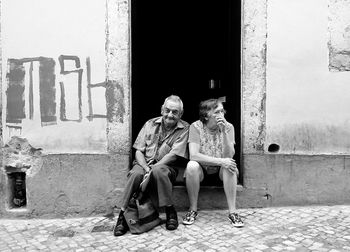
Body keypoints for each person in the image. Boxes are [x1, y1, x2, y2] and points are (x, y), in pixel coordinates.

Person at [113, 95, 189, 236]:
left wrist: (153, 169)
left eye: (175, 112)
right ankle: (122, 216)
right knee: (136, 174)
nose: (170, 115)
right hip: (144, 164)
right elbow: (138, 151)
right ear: (162, 110)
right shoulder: (150, 124)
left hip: (166, 167)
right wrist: (147, 169)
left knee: (159, 171)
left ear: (181, 114)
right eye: (167, 110)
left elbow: (172, 156)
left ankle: (170, 210)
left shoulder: (185, 129)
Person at [182, 98, 244, 227]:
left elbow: (229, 155)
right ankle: (193, 209)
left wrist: (225, 132)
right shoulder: (196, 127)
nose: (221, 115)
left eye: (222, 111)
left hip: (222, 171)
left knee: (230, 165)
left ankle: (233, 212)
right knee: (191, 166)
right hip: (202, 170)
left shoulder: (229, 127)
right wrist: (221, 161)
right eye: (217, 112)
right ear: (206, 115)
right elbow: (193, 155)